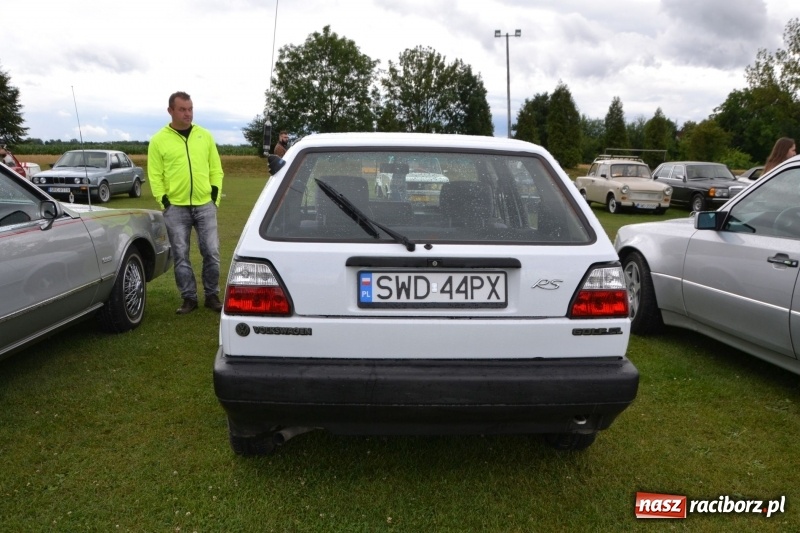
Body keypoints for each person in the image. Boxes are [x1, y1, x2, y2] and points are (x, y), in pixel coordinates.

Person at [148, 91, 225, 314]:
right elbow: (155, 175)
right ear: (170, 111)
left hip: (204, 205)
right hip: (176, 208)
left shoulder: (205, 136)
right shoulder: (158, 140)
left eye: (190, 109)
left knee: (211, 251)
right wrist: (165, 202)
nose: (187, 113)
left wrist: (214, 198)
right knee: (181, 255)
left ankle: (212, 295)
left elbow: (216, 169)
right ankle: (189, 298)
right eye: (182, 109)